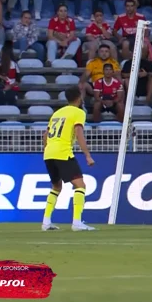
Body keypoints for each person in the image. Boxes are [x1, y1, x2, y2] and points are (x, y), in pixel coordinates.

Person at [42, 85, 96, 232]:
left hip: (49, 153)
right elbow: (79, 133)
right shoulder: (78, 112)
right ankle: (77, 222)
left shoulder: (58, 113)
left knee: (56, 187)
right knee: (80, 185)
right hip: (63, 152)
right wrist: (87, 155)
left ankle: (46, 222)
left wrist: (47, 149)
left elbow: (45, 134)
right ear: (79, 97)